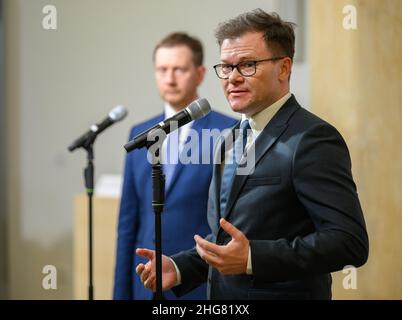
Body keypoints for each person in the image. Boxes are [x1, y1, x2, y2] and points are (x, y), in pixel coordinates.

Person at [135, 9, 369, 300]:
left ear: (284, 68)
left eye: (247, 65)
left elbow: (349, 242)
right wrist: (180, 267)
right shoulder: (229, 139)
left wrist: (252, 258)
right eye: (226, 66)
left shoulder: (312, 138)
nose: (232, 78)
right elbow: (226, 238)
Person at [113, 32, 237, 300]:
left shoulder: (227, 131)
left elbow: (231, 219)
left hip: (199, 285)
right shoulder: (140, 133)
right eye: (162, 69)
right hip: (143, 282)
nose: (170, 78)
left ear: (201, 74)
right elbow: (128, 222)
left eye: (179, 69)